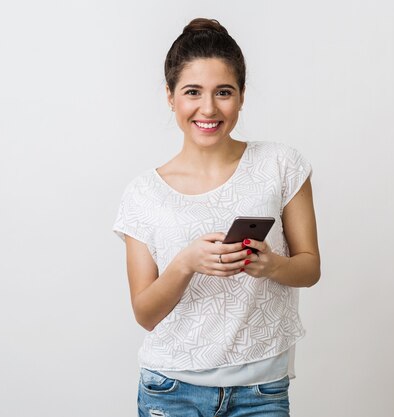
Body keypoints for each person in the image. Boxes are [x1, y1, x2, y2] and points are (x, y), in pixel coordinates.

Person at [113, 17, 321, 417]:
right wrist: (187, 263)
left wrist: (271, 265)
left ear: (242, 96)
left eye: (223, 92)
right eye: (193, 92)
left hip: (261, 391)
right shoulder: (143, 193)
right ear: (171, 97)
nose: (208, 108)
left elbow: (309, 268)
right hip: (170, 389)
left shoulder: (281, 165)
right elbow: (145, 314)